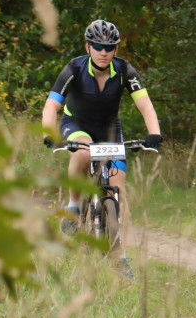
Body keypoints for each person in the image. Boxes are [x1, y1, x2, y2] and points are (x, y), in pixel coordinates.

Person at [42, 19, 163, 279]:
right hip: (76, 124)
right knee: (83, 151)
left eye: (109, 47)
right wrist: (48, 132)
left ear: (116, 50)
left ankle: (121, 259)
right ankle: (75, 205)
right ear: (88, 47)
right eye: (97, 46)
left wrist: (154, 132)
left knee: (118, 191)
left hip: (109, 130)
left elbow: (145, 104)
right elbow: (51, 105)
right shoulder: (74, 68)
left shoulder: (125, 70)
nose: (103, 51)